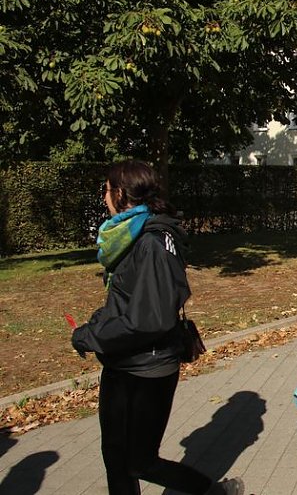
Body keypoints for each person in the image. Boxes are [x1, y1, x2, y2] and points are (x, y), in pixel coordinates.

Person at [71, 161, 244, 495]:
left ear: (121, 194)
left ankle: (217, 492)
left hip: (149, 368)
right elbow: (130, 299)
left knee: (140, 461)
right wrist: (100, 321)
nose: (104, 197)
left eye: (106, 190)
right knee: (116, 459)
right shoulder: (129, 235)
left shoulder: (153, 242)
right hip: (122, 361)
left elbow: (149, 318)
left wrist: (90, 336)